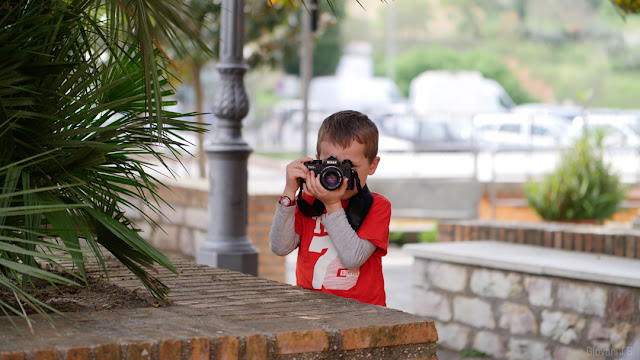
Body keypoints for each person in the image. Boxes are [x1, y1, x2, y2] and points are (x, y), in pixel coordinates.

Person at [269, 110, 391, 306]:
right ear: (317, 160)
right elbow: (280, 248)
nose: (338, 176)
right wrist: (289, 192)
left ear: (372, 165)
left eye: (350, 166)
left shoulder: (377, 206)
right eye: (330, 165)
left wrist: (332, 204)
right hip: (312, 307)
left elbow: (354, 258)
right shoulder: (307, 201)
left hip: (364, 312)